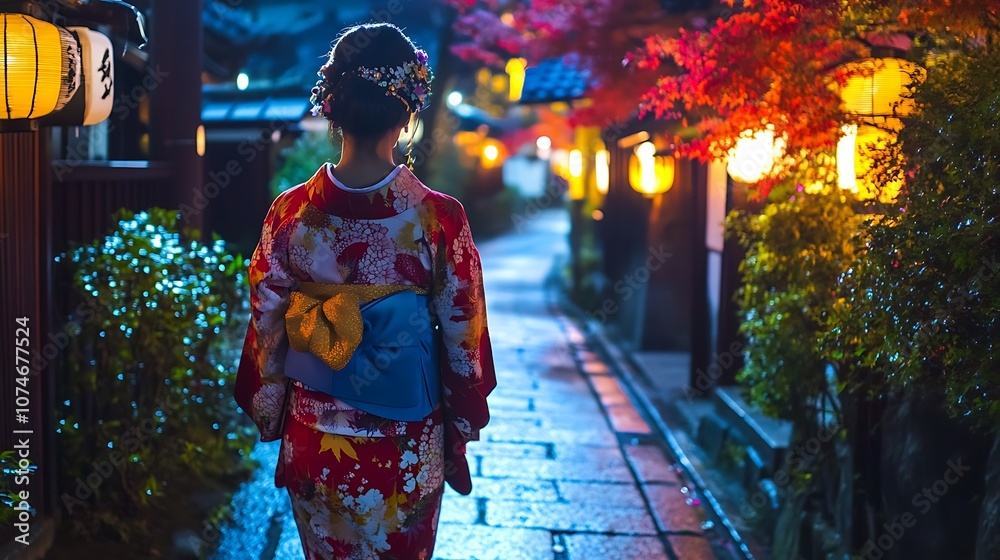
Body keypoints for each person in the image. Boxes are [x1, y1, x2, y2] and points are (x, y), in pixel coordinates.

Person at [234, 23, 496, 560]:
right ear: (407, 115)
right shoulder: (439, 219)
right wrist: (461, 425)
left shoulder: (290, 213)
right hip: (406, 442)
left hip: (316, 437)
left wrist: (271, 413)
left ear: (332, 107)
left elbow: (268, 326)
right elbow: (463, 339)